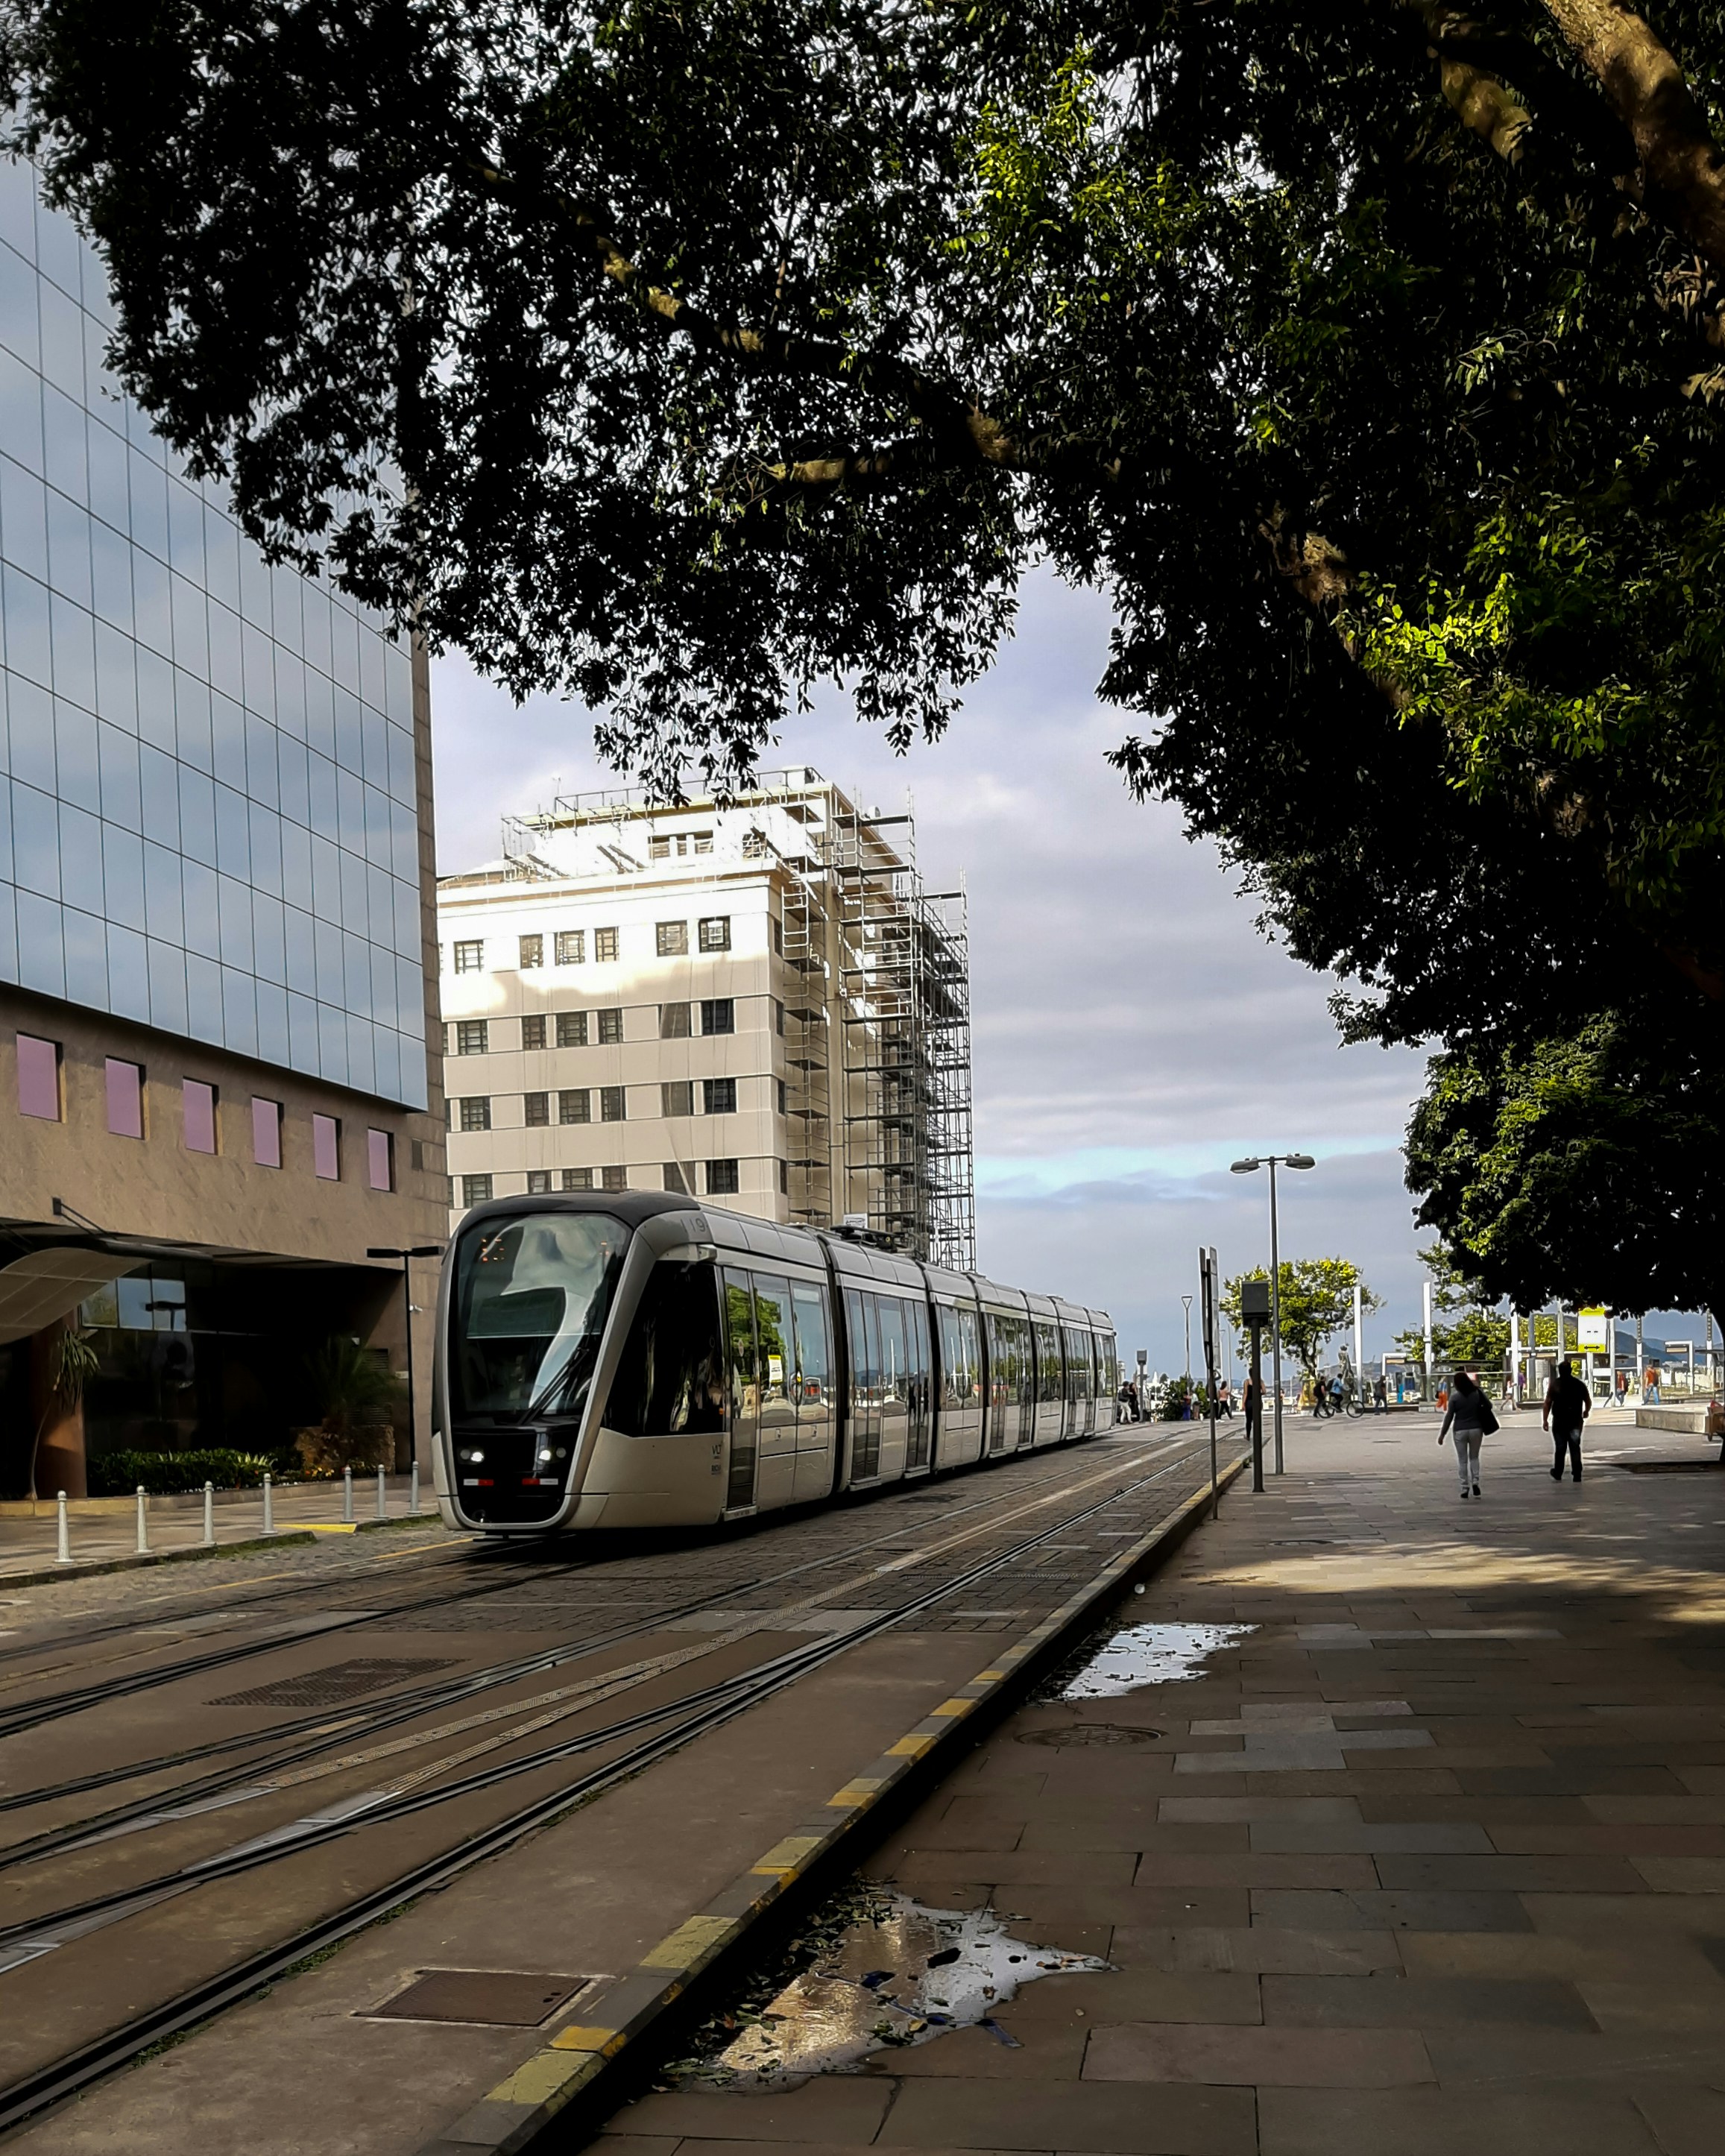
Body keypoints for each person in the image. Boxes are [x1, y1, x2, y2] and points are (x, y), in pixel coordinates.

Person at [1438, 1367, 1491, 1497]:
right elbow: (1489, 1406)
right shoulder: (1477, 1393)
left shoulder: (1455, 1397)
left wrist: (1442, 1434)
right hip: (1476, 1429)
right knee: (1474, 1457)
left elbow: (1449, 1417)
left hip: (1460, 1430)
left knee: (1462, 1460)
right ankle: (1476, 1482)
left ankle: (1464, 1488)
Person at [1544, 1357, 1590, 1481]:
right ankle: (1577, 1473)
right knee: (1575, 1446)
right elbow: (1588, 1400)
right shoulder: (1579, 1384)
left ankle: (1558, 1472)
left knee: (1560, 1447)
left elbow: (1548, 1403)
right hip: (1575, 1421)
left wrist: (1545, 1420)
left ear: (1559, 1371)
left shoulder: (1555, 1385)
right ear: (1571, 1370)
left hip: (1559, 1421)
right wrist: (1586, 1411)